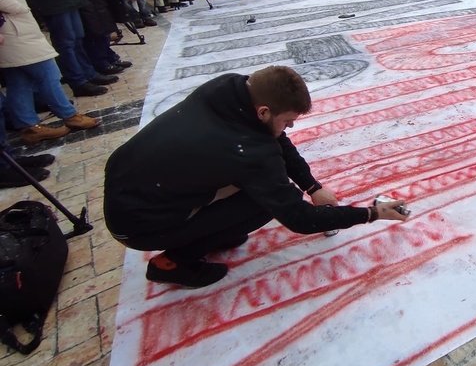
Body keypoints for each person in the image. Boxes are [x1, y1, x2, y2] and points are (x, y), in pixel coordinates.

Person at [103, 66, 409, 287]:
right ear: (263, 112)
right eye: (288, 120)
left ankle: (212, 230)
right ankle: (173, 262)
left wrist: (313, 186)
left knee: (254, 192)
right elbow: (299, 218)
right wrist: (371, 213)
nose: (289, 128)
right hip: (137, 224)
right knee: (262, 204)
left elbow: (277, 141)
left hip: (129, 186)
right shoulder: (247, 150)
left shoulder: (229, 90)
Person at [0, 0, 102, 146]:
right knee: (47, 73)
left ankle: (29, 126)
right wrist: (21, 8)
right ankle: (69, 115)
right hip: (12, 27)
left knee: (18, 79)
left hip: (10, 29)